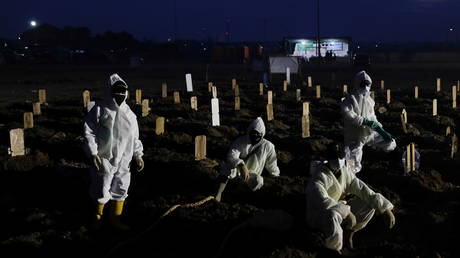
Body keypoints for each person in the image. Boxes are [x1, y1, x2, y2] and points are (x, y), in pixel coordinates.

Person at [305, 143, 395, 253]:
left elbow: (361, 188)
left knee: (367, 203)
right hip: (320, 214)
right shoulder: (318, 178)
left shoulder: (345, 172)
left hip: (340, 207)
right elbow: (325, 203)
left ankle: (349, 233)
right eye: (334, 158)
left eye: (340, 157)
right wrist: (347, 212)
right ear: (328, 159)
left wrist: (384, 207)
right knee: (333, 215)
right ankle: (333, 248)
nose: (338, 160)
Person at [84, 73, 144, 230]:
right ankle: (98, 217)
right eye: (117, 91)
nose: (120, 95)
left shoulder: (130, 114)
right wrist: (93, 152)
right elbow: (89, 132)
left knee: (122, 185)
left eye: (123, 92)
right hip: (105, 158)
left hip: (124, 159)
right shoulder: (99, 110)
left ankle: (115, 219)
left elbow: (135, 137)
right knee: (101, 186)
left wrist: (138, 155)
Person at [341, 70, 396, 173]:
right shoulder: (349, 100)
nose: (365, 87)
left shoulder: (369, 101)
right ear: (357, 84)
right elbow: (349, 116)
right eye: (363, 84)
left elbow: (372, 117)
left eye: (367, 85)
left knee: (391, 143)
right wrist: (366, 122)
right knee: (351, 165)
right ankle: (350, 178)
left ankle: (394, 158)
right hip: (355, 136)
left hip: (368, 133)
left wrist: (381, 130)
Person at [215, 117, 280, 202]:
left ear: (262, 134)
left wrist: (275, 175)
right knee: (227, 168)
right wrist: (241, 165)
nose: (255, 135)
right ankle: (218, 193)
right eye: (253, 133)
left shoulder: (268, 146)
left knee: (258, 181)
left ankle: (241, 195)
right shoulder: (241, 141)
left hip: (252, 173)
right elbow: (231, 155)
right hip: (238, 170)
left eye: (258, 134)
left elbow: (272, 163)